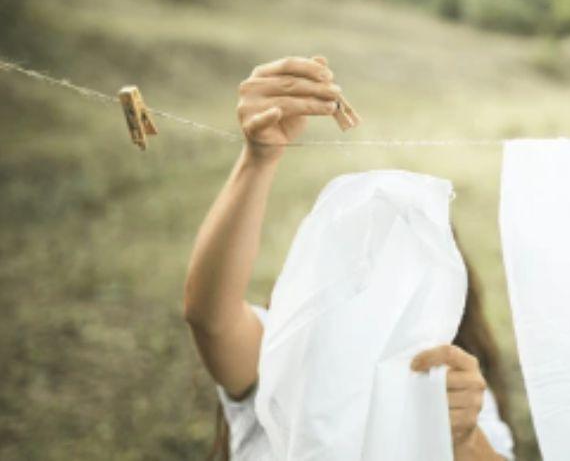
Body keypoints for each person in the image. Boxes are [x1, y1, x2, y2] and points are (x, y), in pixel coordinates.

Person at [183, 56, 515, 460]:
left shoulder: (449, 388)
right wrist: (258, 161)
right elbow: (209, 317)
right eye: (351, 259)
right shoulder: (282, 358)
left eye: (399, 269)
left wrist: (464, 439)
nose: (374, 284)